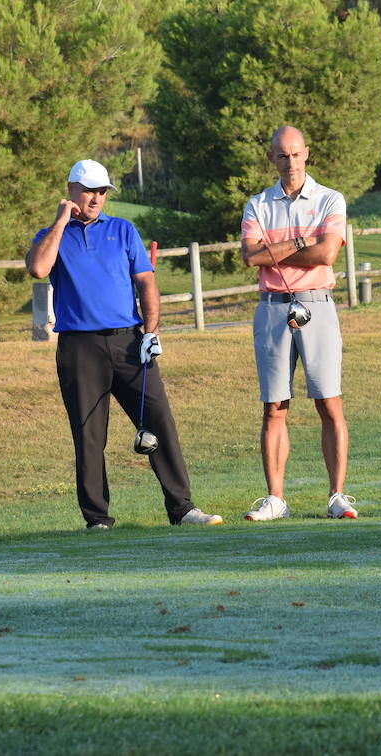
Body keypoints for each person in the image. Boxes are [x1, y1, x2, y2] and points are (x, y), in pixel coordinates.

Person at [26, 159, 222, 530]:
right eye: (89, 190)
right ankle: (97, 518)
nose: (97, 198)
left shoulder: (122, 229)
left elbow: (146, 282)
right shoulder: (51, 234)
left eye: (102, 191)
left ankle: (182, 509)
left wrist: (151, 332)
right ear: (71, 190)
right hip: (78, 347)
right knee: (88, 433)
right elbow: (38, 269)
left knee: (159, 421)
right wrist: (60, 222)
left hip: (130, 342)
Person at [239, 125, 356, 521]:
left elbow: (327, 255)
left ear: (307, 154)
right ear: (271, 158)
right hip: (272, 308)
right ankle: (275, 499)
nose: (289, 162)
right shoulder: (258, 204)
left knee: (328, 401)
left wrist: (278, 250)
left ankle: (337, 495)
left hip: (317, 305)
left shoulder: (329, 199)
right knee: (274, 406)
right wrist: (302, 243)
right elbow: (251, 257)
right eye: (281, 155)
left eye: (295, 154)